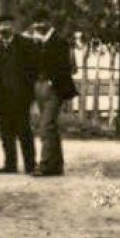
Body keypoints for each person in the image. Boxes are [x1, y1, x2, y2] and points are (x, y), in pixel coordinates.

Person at [25, 12, 79, 177]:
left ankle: (46, 164)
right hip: (39, 86)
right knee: (50, 125)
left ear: (49, 22)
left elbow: (66, 67)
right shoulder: (35, 42)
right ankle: (56, 165)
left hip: (54, 88)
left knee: (46, 125)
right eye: (35, 23)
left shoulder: (60, 42)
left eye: (41, 22)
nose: (38, 26)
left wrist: (51, 82)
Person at [0, 13, 36, 174]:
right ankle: (10, 164)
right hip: (2, 96)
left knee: (23, 130)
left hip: (21, 96)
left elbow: (32, 70)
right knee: (6, 132)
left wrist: (29, 93)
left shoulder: (25, 44)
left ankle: (30, 164)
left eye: (6, 24)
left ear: (13, 26)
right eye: (0, 25)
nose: (3, 28)